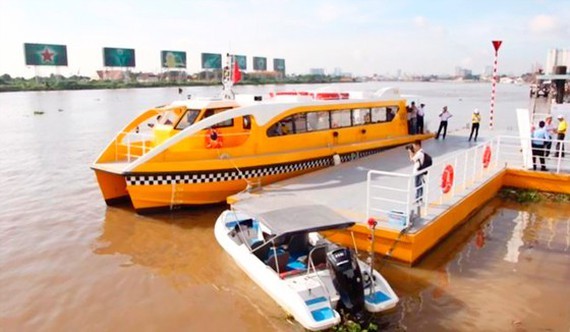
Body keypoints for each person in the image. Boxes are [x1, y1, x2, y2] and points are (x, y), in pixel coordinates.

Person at [407, 140, 426, 205]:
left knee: (419, 186)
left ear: (418, 145)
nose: (414, 147)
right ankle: (418, 199)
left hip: (418, 172)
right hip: (418, 171)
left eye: (414, 145)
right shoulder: (420, 152)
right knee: (418, 186)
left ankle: (420, 200)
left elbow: (412, 159)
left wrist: (410, 152)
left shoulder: (420, 153)